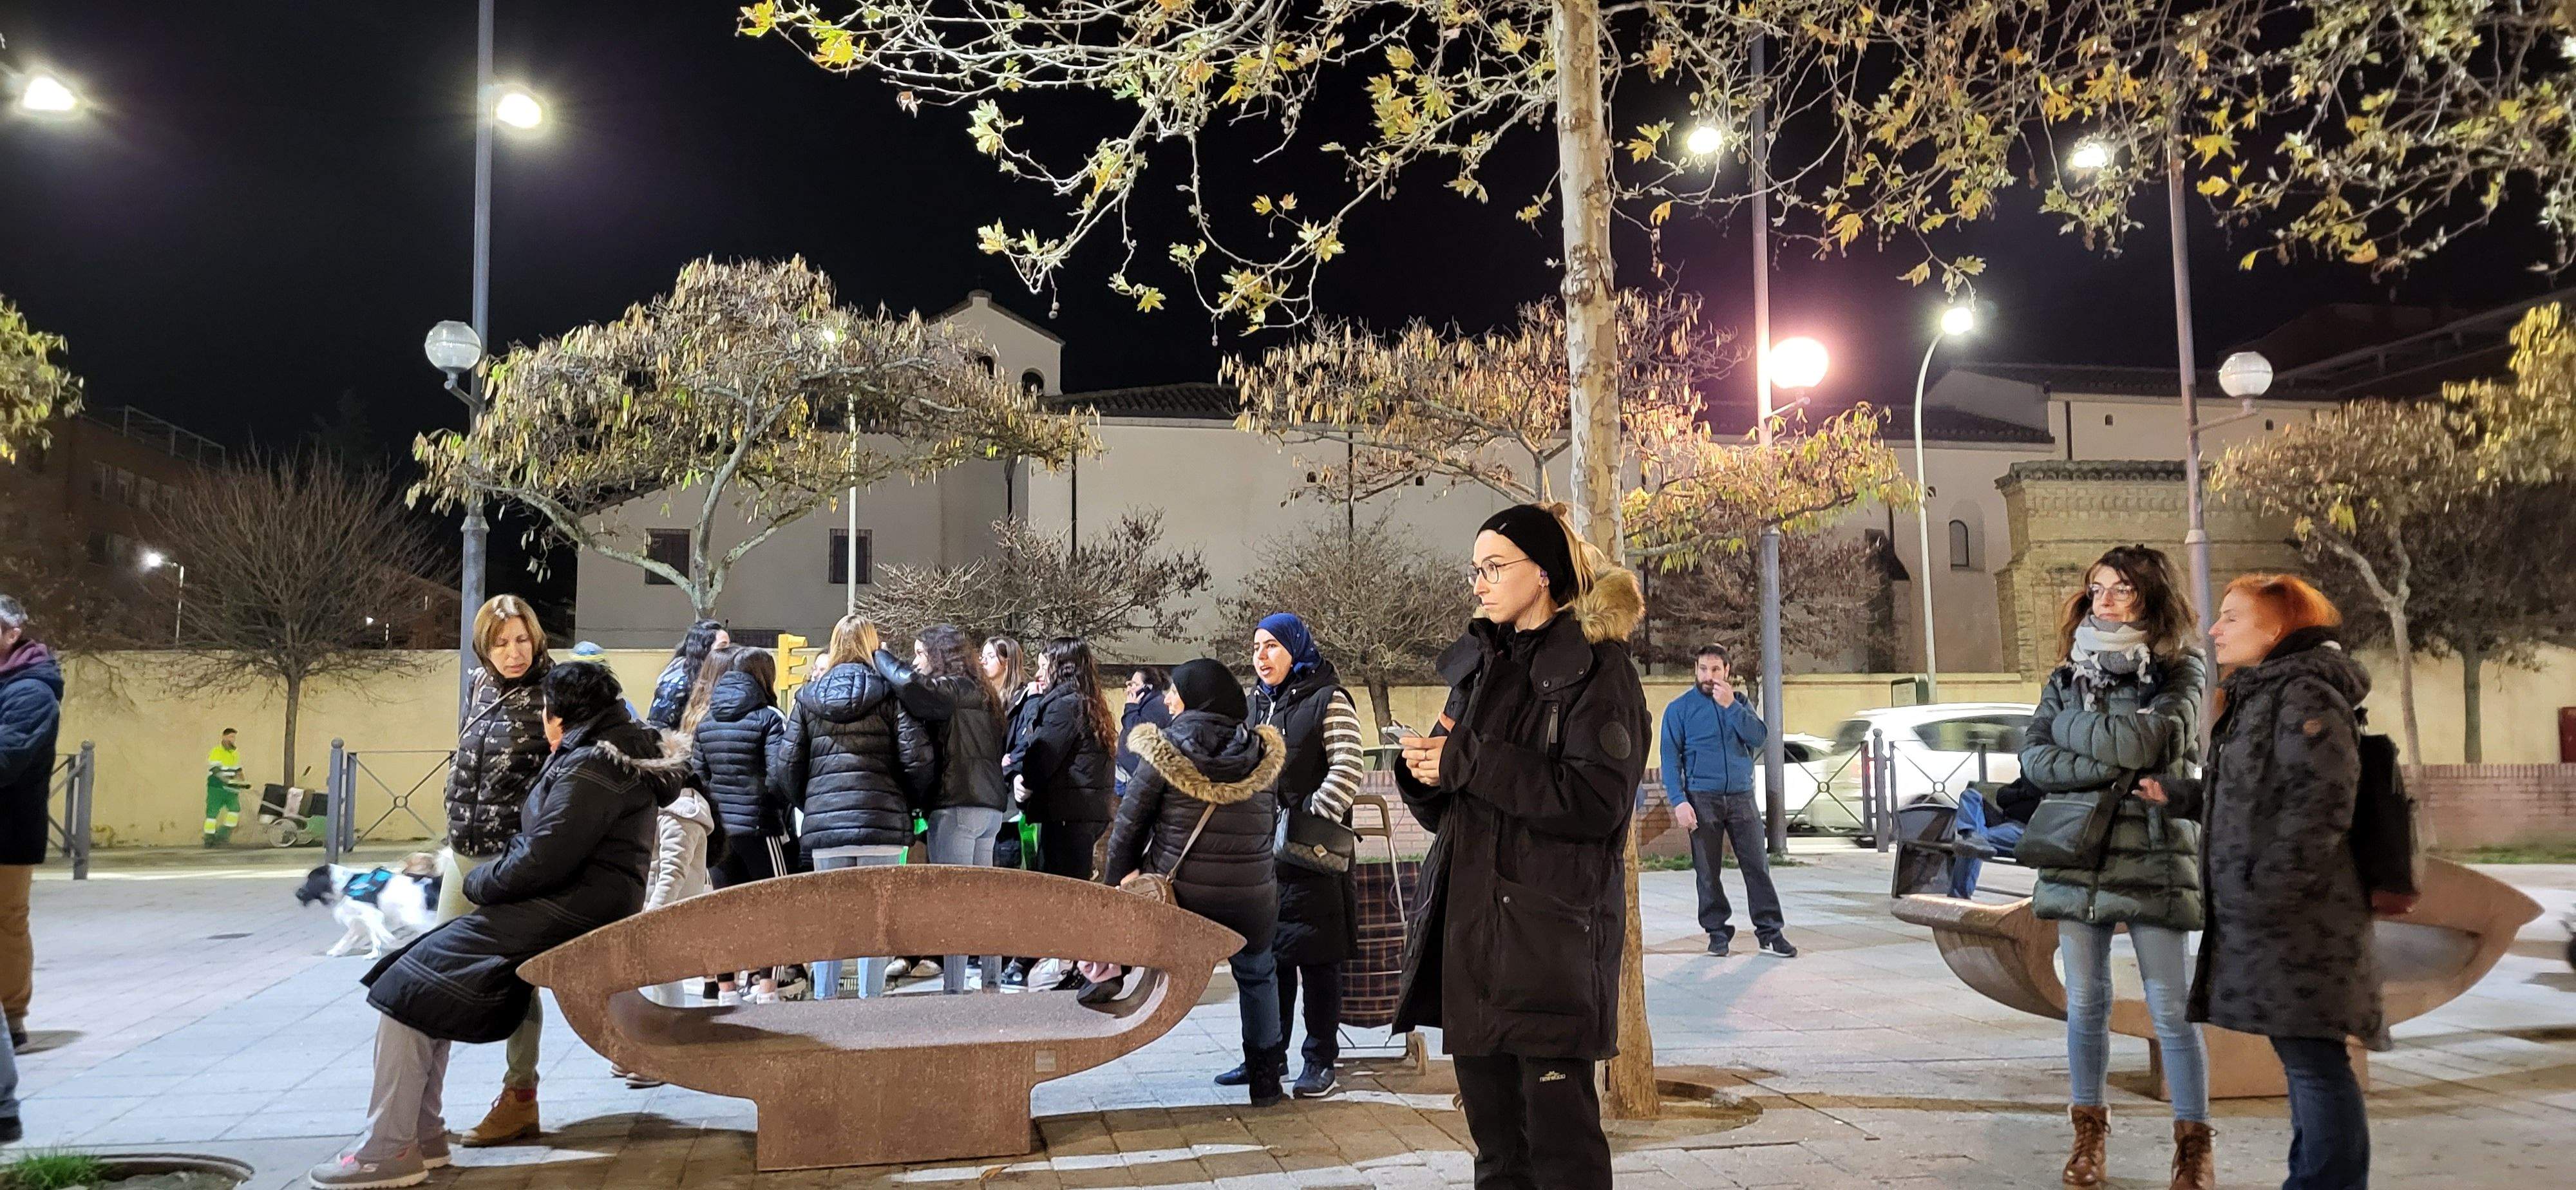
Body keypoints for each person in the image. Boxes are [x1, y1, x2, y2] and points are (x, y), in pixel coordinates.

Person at [309, 661, 684, 1189]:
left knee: (405, 987)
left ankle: (390, 1149)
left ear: (558, 716)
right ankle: (421, 1135)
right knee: (416, 981)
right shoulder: (607, 754)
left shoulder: (592, 766)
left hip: (568, 907)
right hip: (581, 903)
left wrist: (480, 884)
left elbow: (547, 855)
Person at [1394, 504, 1649, 1190]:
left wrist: (1469, 760)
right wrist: (1426, 774)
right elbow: (1460, 807)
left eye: (1494, 567)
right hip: (1475, 952)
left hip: (1548, 951)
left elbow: (1595, 804)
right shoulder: (1480, 667)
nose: (1479, 582)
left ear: (1542, 573)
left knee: (1560, 1157)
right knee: (1498, 1157)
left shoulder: (1599, 671)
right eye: (1474, 569)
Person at [2168, 574, 2398, 1190]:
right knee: (2307, 1061)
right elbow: (2256, 796)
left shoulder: (2303, 695)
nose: (2215, 630)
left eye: (2232, 618)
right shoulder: (2266, 695)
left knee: (2316, 1064)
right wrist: (2184, 796)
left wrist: (2266, 888)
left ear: (2276, 630)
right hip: (2282, 914)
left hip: (2302, 920)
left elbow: (2319, 804)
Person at [2018, 545, 2212, 1190]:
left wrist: (2077, 732)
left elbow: (2145, 742)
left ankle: (2191, 1148)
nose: (2103, 600)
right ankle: (2087, 1140)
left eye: (2121, 589)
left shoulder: (2180, 671)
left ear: (2150, 596)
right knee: (2086, 1005)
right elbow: (2035, 761)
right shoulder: (2063, 675)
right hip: (2077, 851)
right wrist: (2104, 751)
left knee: (2169, 1009)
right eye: (2097, 587)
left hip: (2154, 853)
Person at [1099, 659, 1289, 1105]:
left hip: (1184, 896)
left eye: (1176, 692)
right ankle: (1266, 1081)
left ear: (1195, 698)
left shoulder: (1165, 749)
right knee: (1258, 975)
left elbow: (1129, 826)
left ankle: (1102, 987)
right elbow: (1267, 827)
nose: (1168, 699)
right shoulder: (1263, 756)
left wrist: (1120, 879)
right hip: (1254, 896)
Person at [438, 594, 554, 1148]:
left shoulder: (557, 693)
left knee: (517, 976)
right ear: (485, 647)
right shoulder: (479, 686)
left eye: (522, 640)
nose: (514, 653)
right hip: (462, 849)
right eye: (501, 642)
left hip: (513, 860)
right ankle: (420, 1101)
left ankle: (519, 1097)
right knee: (431, 970)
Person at [1238, 614, 1363, 1100]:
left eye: (1271, 646)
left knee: (1318, 961)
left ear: (1296, 648)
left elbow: (1348, 765)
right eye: (1256, 648)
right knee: (1272, 961)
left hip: (1313, 856)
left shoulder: (1328, 699)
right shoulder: (1255, 706)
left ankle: (1320, 1059)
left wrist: (1307, 818)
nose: (1261, 657)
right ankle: (1271, 1055)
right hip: (1265, 860)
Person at [782, 615, 936, 999]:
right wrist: (908, 804)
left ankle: (825, 1001)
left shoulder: (808, 698)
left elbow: (786, 765)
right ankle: (870, 1004)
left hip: (826, 828)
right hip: (880, 823)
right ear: (871, 645)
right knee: (876, 919)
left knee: (829, 919)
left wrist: (813, 804)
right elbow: (917, 759)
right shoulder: (889, 693)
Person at [875, 626, 1012, 993]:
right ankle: (991, 982)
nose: (917, 662)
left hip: (957, 805)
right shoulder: (982, 693)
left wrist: (881, 655)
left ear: (939, 657)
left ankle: (953, 989)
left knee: (954, 902)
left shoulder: (953, 689)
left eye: (921, 654)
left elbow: (912, 688)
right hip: (990, 809)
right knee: (981, 900)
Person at [1660, 643, 1795, 959]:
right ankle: (1717, 933)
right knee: (1707, 871)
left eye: (1716, 670)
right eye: (1703, 669)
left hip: (1740, 796)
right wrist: (1679, 801)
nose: (1709, 676)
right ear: (1695, 670)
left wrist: (1730, 706)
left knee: (1757, 866)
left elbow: (1759, 737)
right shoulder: (1679, 710)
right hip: (1701, 797)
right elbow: (1670, 759)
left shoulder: (1740, 704)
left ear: (1727, 672)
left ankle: (1770, 933)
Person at [1005, 637, 1118, 990]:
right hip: (1083, 811)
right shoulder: (1087, 702)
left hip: (1067, 814)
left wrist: (1020, 774)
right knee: (1071, 891)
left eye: (1044, 663)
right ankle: (1067, 963)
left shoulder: (1064, 706)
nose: (1039, 671)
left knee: (1062, 894)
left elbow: (1043, 757)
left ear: (1060, 666)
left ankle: (1071, 966)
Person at [687, 644, 795, 1002]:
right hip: (760, 828)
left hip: (719, 833)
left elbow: (698, 776)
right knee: (773, 908)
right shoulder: (768, 718)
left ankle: (726, 988)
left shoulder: (706, 721)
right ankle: (766, 987)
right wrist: (775, 810)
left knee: (723, 911)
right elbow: (779, 775)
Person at [0, 594, 61, 1055]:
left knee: (5, 923)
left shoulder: (31, 692)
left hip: (8, 832)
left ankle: (10, 1019)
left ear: (12, 633)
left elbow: (8, 756)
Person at [646, 619, 725, 730]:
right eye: (722, 647)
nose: (729, 652)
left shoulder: (719, 678)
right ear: (704, 649)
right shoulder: (677, 683)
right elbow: (659, 727)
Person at [1114, 666, 1175, 796]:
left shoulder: (1157, 706)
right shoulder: (1145, 704)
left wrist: (1131, 707)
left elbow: (1136, 732)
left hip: (1134, 779)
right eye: (1129, 684)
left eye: (1134, 685)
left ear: (1148, 688)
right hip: (1126, 774)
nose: (1129, 689)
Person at [205, 727, 248, 847]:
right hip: (217, 788)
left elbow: (239, 770)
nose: (233, 740)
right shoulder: (216, 752)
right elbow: (215, 770)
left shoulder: (235, 753)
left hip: (231, 789)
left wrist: (243, 782)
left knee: (234, 811)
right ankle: (209, 839)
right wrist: (227, 781)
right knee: (212, 815)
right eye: (231, 737)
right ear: (224, 737)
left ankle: (223, 836)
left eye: (234, 737)